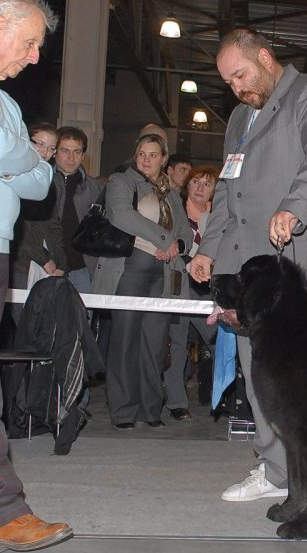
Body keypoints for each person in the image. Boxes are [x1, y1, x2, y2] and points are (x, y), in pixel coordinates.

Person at [190, 28, 307, 501]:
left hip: (306, 261)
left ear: (264, 57)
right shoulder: (239, 119)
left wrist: (294, 206)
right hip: (253, 269)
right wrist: (210, 251)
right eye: (229, 83)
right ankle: (275, 470)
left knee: (305, 376)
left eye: (241, 75)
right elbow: (228, 191)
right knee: (259, 370)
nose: (238, 89)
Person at [0, 0, 72, 552]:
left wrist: (12, 155)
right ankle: (3, 509)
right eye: (30, 42)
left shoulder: (4, 103)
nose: (35, 57)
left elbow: (42, 185)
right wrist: (15, 155)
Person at [92, 133, 193, 429]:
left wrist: (178, 247)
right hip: (129, 269)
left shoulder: (172, 193)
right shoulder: (121, 182)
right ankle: (123, 411)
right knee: (124, 341)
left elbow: (185, 232)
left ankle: (150, 410)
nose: (146, 159)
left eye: (152, 154)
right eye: (141, 154)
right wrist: (165, 238)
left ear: (164, 159)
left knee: (155, 345)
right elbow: (121, 215)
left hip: (162, 275)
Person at [163, 164, 218, 419]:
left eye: (207, 184)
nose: (200, 188)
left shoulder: (221, 217)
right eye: (196, 182)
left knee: (221, 340)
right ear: (187, 185)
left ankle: (226, 399)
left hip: (210, 289)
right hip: (178, 283)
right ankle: (176, 402)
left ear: (215, 191)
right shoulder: (174, 211)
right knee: (176, 342)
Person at [10, 122, 66, 312]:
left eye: (51, 148)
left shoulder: (52, 180)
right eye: (40, 144)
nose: (45, 152)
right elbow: (17, 225)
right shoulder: (13, 174)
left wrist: (60, 262)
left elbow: (54, 224)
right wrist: (43, 259)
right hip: (21, 261)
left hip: (47, 263)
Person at [52, 126, 104, 294]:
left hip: (83, 268)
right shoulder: (41, 184)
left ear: (83, 155)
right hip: (48, 265)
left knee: (82, 318)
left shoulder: (96, 189)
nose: (71, 158)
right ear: (55, 152)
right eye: (65, 151)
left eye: (77, 152)